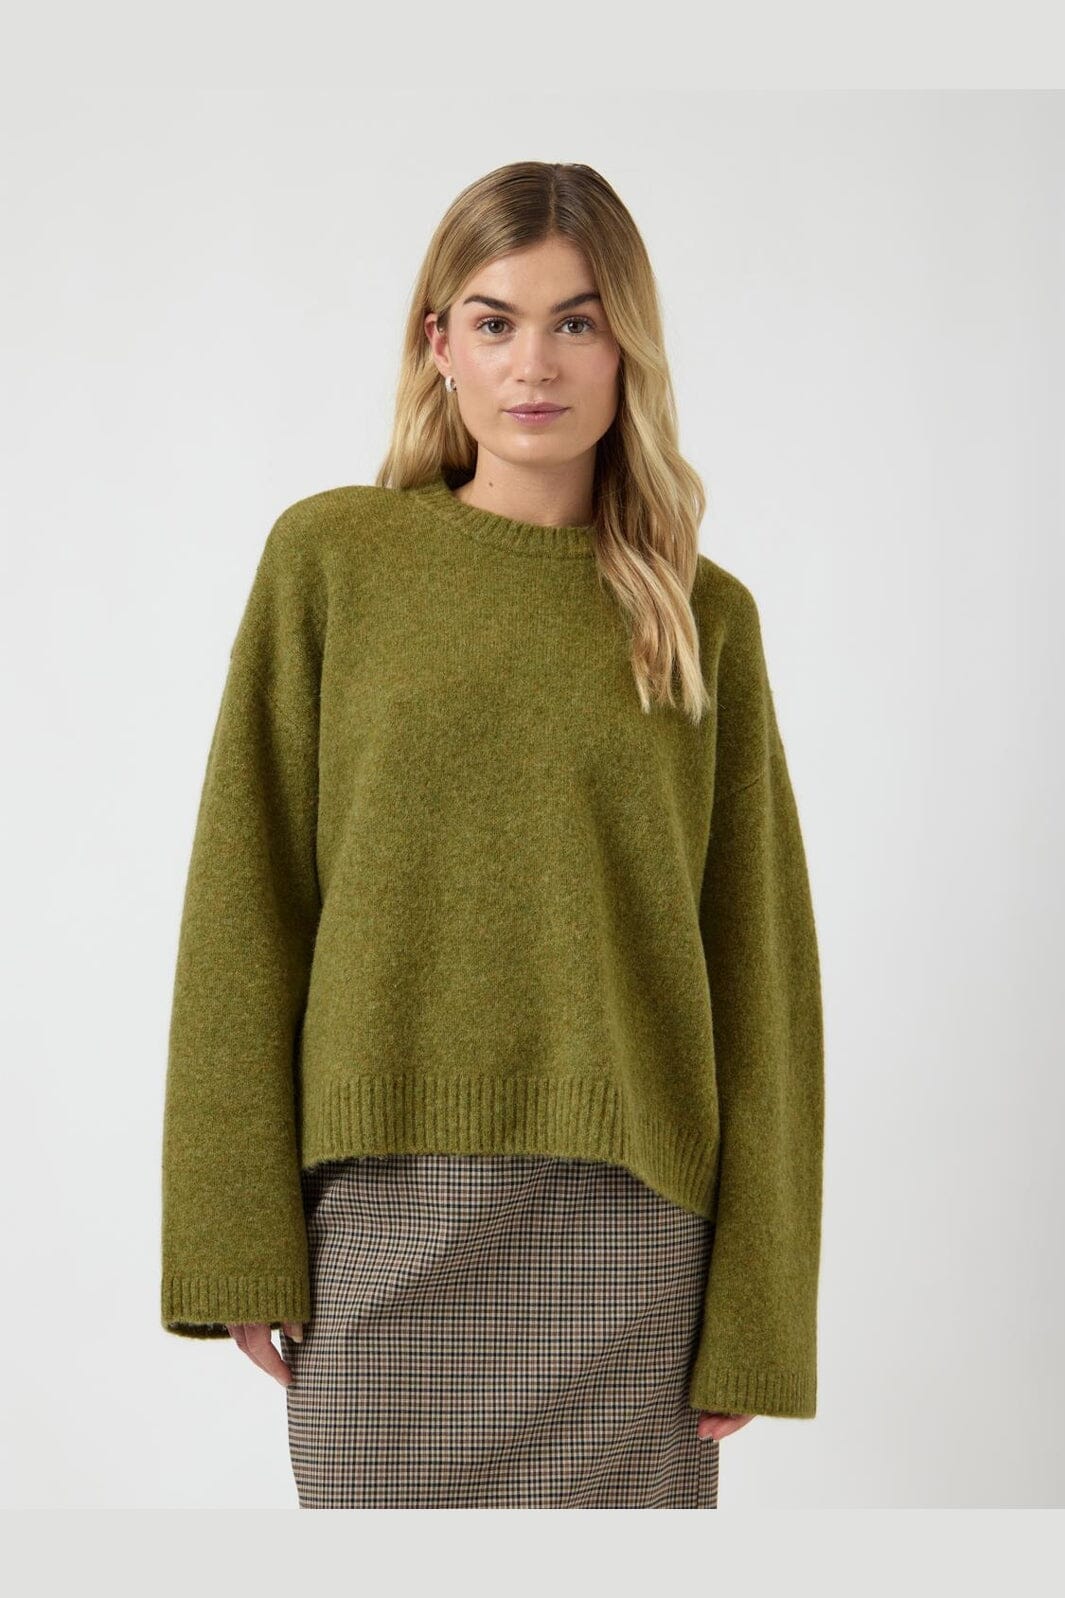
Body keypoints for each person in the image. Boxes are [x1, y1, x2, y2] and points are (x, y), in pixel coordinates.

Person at [160, 160, 825, 1510]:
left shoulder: (703, 619)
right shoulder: (333, 561)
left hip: (631, 1242)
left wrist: (761, 1305)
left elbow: (759, 976)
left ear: (628, 348)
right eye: (495, 320)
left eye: (577, 322)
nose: (535, 363)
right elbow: (246, 899)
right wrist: (234, 1231)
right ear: (438, 344)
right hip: (379, 1224)